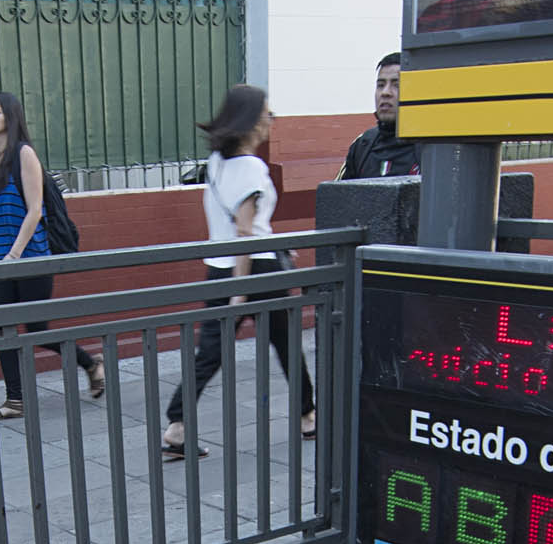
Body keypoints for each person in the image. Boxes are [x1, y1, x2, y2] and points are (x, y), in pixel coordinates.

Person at [162, 85, 316, 460]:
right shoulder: (251, 167)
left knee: (211, 351)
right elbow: (245, 232)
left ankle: (177, 425)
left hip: (220, 266)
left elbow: (242, 226)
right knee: (286, 342)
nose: (271, 119)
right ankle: (307, 415)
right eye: (266, 112)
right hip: (254, 269)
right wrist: (241, 289)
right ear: (249, 120)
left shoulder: (217, 161)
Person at [0, 90, 106, 418]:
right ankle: (15, 399)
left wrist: (14, 255)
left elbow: (35, 210)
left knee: (36, 329)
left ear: (11, 116)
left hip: (30, 258)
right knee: (2, 329)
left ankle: (90, 363)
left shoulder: (24, 155)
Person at [338, 53, 419, 180]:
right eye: (380, 85)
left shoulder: (431, 149)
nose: (385, 93)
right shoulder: (362, 145)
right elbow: (340, 196)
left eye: (396, 85)